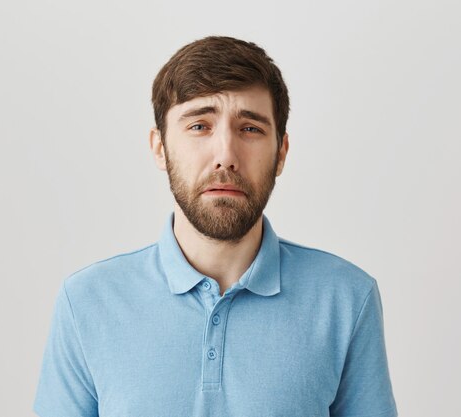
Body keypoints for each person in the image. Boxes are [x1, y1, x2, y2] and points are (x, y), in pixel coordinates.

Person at [33, 36, 397, 417]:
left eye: (251, 129)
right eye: (199, 126)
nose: (225, 156)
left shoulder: (347, 299)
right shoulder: (87, 302)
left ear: (281, 153)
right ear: (160, 148)